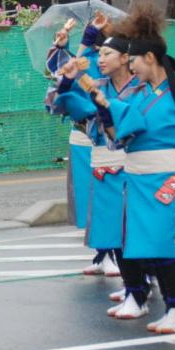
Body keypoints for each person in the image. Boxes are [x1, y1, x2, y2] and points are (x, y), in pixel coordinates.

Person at [82, 5, 175, 333]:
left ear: (150, 59)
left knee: (164, 244)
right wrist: (103, 108)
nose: (132, 66)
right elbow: (119, 136)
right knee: (142, 245)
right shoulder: (137, 96)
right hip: (137, 179)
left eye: (135, 61)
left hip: (170, 179)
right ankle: (161, 304)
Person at [52, 33, 139, 293]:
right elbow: (63, 102)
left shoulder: (141, 87)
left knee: (134, 227)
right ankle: (132, 285)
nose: (100, 59)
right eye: (99, 54)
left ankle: (146, 283)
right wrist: (67, 80)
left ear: (125, 58)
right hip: (104, 162)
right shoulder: (96, 85)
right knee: (112, 227)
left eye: (106, 54)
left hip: (137, 166)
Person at [46, 12, 109, 273]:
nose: (103, 58)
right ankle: (101, 253)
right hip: (81, 136)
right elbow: (58, 75)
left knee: (108, 198)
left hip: (107, 139)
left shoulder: (115, 66)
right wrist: (62, 45)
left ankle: (113, 255)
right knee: (86, 198)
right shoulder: (82, 61)